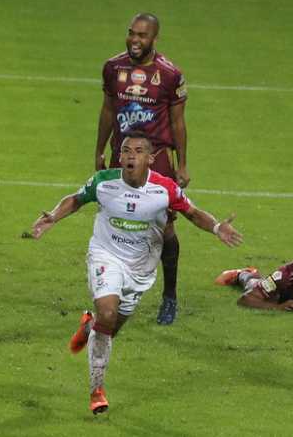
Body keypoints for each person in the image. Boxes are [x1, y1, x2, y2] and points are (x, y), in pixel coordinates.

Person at [32, 133, 242, 414]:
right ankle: (97, 389)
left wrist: (217, 227)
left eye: (139, 150)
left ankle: (89, 326)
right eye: (126, 150)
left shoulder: (164, 189)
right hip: (106, 255)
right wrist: (53, 217)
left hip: (141, 268)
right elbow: (76, 199)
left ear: (150, 159)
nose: (131, 155)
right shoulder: (104, 181)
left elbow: (192, 213)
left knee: (110, 328)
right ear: (120, 156)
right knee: (107, 313)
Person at [95, 12, 189, 325]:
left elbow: (178, 121)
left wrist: (183, 164)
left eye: (142, 36)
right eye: (132, 34)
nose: (135, 40)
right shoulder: (113, 67)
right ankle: (118, 284)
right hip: (123, 156)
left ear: (154, 39)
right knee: (118, 218)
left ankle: (170, 297)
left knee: (165, 229)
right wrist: (99, 151)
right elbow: (108, 110)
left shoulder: (170, 74)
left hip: (157, 158)